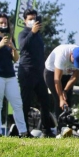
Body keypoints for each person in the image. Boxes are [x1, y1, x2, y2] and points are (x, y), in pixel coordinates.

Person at [0, 13, 28, 137]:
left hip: (10, 77)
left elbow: (16, 59)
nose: (3, 25)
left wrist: (13, 47)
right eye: (1, 23)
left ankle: (23, 132)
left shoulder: (9, 38)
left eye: (5, 23)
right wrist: (0, 45)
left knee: (17, 104)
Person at [18, 9, 56, 137]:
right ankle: (24, 131)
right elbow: (22, 47)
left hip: (39, 73)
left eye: (34, 18)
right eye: (30, 19)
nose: (33, 21)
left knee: (45, 101)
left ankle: (47, 130)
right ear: (25, 21)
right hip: (27, 72)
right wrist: (32, 33)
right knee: (26, 102)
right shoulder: (23, 33)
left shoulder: (38, 35)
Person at [43, 44, 79, 129]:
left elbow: (75, 76)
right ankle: (60, 128)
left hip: (67, 73)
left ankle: (68, 127)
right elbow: (57, 79)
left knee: (67, 100)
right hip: (51, 72)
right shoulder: (62, 54)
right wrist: (61, 98)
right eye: (75, 61)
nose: (75, 64)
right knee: (59, 100)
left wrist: (65, 91)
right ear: (71, 55)